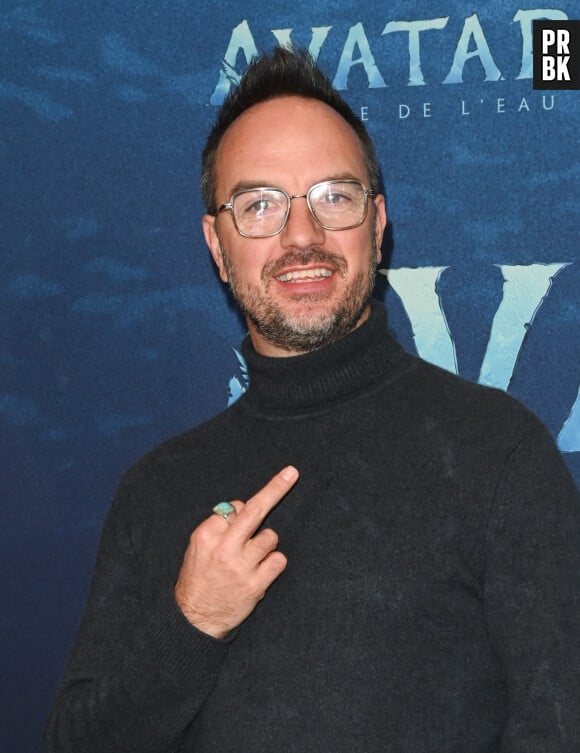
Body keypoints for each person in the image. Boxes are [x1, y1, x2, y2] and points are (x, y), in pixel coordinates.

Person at [46, 47, 580, 753]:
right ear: (217, 243)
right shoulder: (155, 488)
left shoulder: (499, 453)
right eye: (259, 204)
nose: (303, 236)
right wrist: (190, 625)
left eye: (335, 195)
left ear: (377, 223)